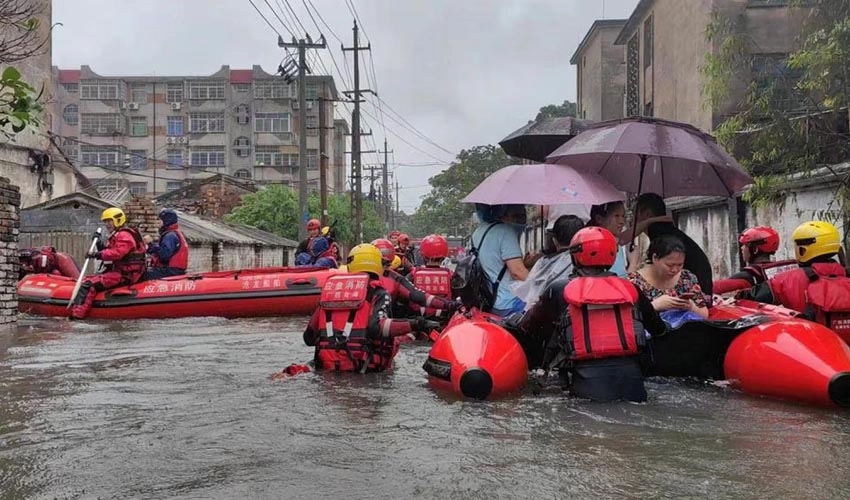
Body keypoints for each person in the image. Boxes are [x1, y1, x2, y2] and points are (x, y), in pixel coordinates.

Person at [518, 227, 666, 402]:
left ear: (575, 256)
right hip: (634, 388)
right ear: (613, 256)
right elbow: (658, 329)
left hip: (587, 390)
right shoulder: (630, 290)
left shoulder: (559, 289)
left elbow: (528, 327)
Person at [302, 244, 441, 373]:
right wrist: (417, 324)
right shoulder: (379, 292)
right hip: (365, 367)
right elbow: (377, 328)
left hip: (328, 367)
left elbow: (309, 337)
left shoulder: (330, 293)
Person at [740, 221, 850, 337]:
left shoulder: (787, 280)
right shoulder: (846, 274)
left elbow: (752, 297)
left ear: (803, 248)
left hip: (809, 348)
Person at [629, 193, 714, 295]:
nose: (631, 219)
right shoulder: (667, 231)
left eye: (634, 214)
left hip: (690, 294)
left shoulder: (661, 237)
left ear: (647, 214)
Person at [70, 207, 147, 320]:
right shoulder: (118, 235)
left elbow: (117, 253)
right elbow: (107, 250)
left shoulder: (124, 236)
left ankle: (77, 316)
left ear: (117, 220)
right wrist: (98, 243)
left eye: (109, 221)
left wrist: (96, 255)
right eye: (105, 221)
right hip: (121, 272)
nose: (107, 224)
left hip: (126, 275)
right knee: (86, 279)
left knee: (89, 285)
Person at [372, 238, 461, 321]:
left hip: (415, 318)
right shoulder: (451, 275)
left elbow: (408, 298)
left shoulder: (411, 274)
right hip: (442, 318)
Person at [629, 234, 709, 325]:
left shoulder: (687, 278)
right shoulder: (634, 282)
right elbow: (627, 318)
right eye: (669, 265)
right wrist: (654, 306)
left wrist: (691, 307)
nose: (675, 270)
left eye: (680, 265)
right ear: (655, 258)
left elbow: (705, 314)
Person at [512, 215, 585, 312]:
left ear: (554, 240)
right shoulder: (587, 262)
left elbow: (530, 294)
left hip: (547, 314)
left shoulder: (543, 263)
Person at [471, 203, 529, 316]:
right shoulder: (506, 231)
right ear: (503, 213)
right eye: (516, 215)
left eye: (523, 215)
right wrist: (540, 286)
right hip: (508, 302)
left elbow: (494, 263)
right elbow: (517, 272)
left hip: (487, 299)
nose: (521, 221)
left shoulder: (479, 231)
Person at [408, 234, 455, 320]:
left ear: (422, 254)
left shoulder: (413, 274)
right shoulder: (451, 275)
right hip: (444, 320)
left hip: (417, 321)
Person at [586, 201, 631, 276]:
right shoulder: (597, 247)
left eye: (623, 216)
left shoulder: (615, 244)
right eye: (616, 216)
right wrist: (634, 263)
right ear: (599, 219)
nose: (622, 221)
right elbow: (618, 281)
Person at [142, 208, 188, 280]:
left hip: (171, 271)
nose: (158, 223)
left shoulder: (170, 236)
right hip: (175, 270)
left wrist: (151, 245)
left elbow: (164, 255)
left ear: (167, 221)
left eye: (160, 220)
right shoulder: (176, 233)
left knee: (143, 274)